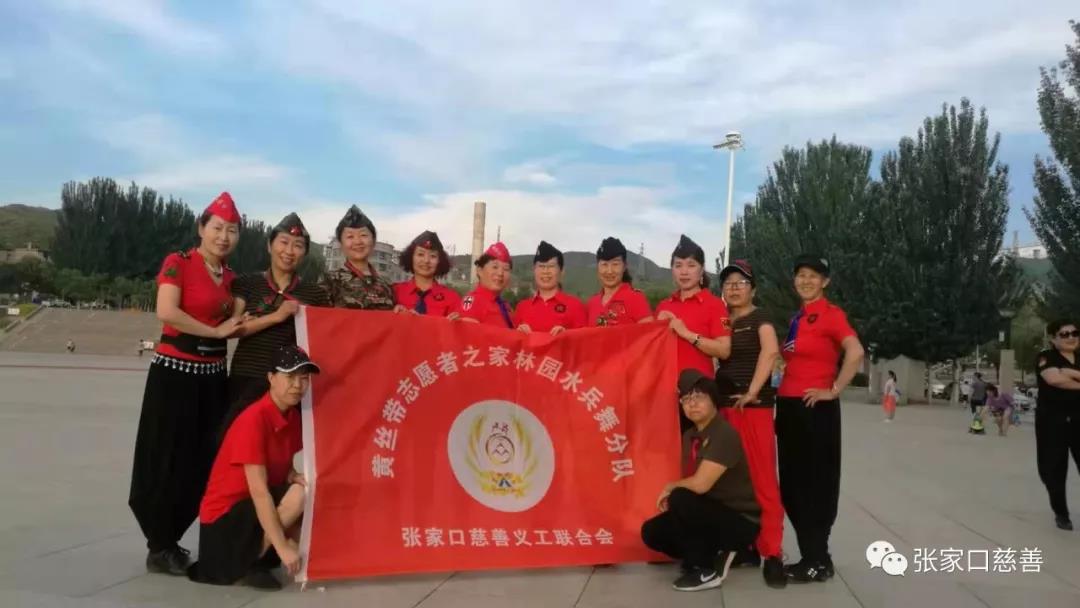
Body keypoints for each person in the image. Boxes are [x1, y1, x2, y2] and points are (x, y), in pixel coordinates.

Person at [129, 192, 244, 575]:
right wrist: (216, 332)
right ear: (201, 228)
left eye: (232, 231)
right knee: (167, 458)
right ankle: (159, 544)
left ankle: (171, 537)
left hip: (212, 379)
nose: (223, 237)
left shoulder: (231, 278)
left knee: (201, 461)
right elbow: (167, 311)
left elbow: (238, 320)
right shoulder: (178, 263)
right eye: (217, 228)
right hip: (175, 375)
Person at [187, 345, 319, 590]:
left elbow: (282, 462)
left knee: (305, 487)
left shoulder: (290, 416)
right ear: (271, 378)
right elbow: (259, 492)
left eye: (304, 378)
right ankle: (248, 561)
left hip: (251, 511)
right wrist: (282, 545)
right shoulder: (254, 419)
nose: (298, 385)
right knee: (297, 496)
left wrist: (292, 474)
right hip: (225, 520)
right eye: (290, 377)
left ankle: (278, 553)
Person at [775, 254, 864, 583]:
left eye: (814, 275)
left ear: (825, 281)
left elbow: (855, 351)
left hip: (814, 408)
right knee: (792, 487)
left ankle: (815, 559)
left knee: (815, 486)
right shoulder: (798, 318)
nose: (806, 280)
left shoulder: (831, 315)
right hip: (789, 407)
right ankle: (817, 558)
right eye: (801, 274)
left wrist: (834, 389)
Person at [641, 369, 761, 592]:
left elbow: (700, 484)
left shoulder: (723, 434)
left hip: (739, 519)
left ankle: (707, 569)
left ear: (714, 400)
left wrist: (670, 488)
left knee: (680, 497)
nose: (692, 404)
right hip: (711, 511)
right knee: (652, 532)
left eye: (699, 397)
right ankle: (729, 552)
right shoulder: (691, 436)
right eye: (686, 399)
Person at [711, 259, 787, 588]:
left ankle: (772, 554)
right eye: (728, 283)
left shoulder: (761, 319)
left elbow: (769, 353)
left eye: (741, 283)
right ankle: (745, 546)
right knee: (729, 482)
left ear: (752, 289)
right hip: (725, 411)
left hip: (752, 410)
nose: (734, 288)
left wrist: (753, 391)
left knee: (762, 482)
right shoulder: (722, 321)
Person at [227, 213, 329, 414]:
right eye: (284, 242)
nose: (289, 251)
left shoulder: (315, 294)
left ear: (305, 253)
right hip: (246, 377)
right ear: (269, 245)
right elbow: (232, 328)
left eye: (298, 245)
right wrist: (276, 316)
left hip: (291, 384)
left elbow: (325, 335)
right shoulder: (247, 283)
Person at [655, 235, 732, 430]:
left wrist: (687, 334)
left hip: (699, 397)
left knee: (696, 448)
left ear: (701, 269)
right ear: (672, 270)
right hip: (665, 395)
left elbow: (724, 350)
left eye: (691, 265)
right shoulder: (664, 306)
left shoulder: (715, 305)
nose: (684, 271)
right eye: (678, 265)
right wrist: (657, 327)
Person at [1034, 319, 1080, 531]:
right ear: (1053, 339)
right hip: (1052, 422)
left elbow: (1062, 376)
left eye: (1074, 333)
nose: (1071, 338)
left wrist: (1068, 372)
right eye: (1064, 334)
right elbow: (1054, 379)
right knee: (1053, 470)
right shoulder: (1046, 357)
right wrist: (1066, 375)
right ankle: (1061, 514)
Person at [320, 205, 396, 310]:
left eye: (363, 235)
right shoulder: (330, 281)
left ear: (373, 241)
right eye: (350, 236)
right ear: (341, 244)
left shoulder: (386, 286)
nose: (357, 241)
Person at [515, 241, 586, 335]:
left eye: (551, 266)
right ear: (534, 270)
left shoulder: (575, 306)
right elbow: (512, 342)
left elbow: (584, 341)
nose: (545, 271)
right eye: (541, 266)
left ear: (562, 271)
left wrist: (567, 336)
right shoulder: (522, 308)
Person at [586, 237, 653, 326]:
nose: (609, 271)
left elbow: (650, 332)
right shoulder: (592, 303)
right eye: (604, 264)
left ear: (624, 267)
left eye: (615, 264)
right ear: (598, 267)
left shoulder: (636, 299)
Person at [392, 230, 461, 317]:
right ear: (411, 257)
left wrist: (456, 321)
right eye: (420, 254)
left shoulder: (452, 298)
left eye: (433, 256)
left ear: (440, 261)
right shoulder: (394, 292)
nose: (426, 260)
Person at [455, 242, 515, 328]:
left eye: (506, 269)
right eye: (495, 267)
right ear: (480, 271)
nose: (500, 273)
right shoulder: (473, 302)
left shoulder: (506, 307)